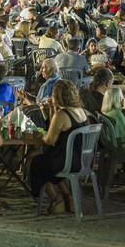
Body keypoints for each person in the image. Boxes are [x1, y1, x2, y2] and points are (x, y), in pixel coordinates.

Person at [28, 80, 88, 213]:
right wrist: (52, 109)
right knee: (46, 158)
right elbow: (54, 127)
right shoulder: (81, 111)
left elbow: (49, 140)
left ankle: (55, 198)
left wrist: (38, 137)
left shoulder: (62, 115)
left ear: (59, 96)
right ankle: (68, 197)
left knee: (34, 161)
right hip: (80, 160)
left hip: (64, 162)